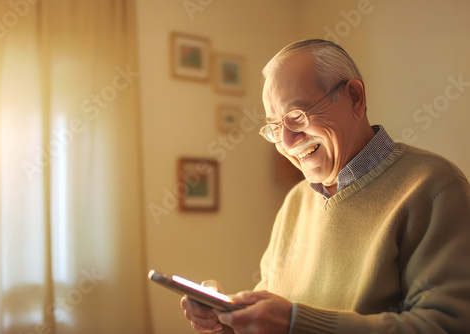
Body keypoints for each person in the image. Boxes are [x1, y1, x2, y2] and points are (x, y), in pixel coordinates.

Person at [181, 39, 470, 333]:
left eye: (297, 117)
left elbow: (444, 325)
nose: (287, 143)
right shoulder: (295, 201)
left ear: (355, 98)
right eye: (276, 127)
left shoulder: (435, 186)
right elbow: (274, 319)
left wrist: (296, 323)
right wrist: (229, 321)